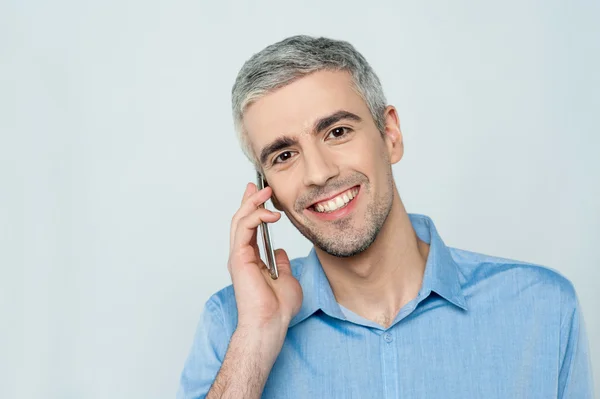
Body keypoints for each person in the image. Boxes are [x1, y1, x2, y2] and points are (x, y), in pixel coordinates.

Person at [176, 35, 594, 398]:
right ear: (269, 192)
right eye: (284, 156)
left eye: (337, 132)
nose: (319, 172)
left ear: (389, 135)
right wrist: (257, 335)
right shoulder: (231, 325)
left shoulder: (542, 309)